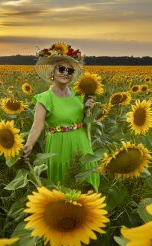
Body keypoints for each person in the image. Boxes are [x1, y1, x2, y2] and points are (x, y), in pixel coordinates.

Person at [22, 42, 100, 191]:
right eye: (61, 69)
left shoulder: (79, 95)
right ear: (52, 72)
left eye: (70, 71)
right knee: (62, 184)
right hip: (58, 144)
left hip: (80, 141)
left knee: (85, 181)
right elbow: (37, 126)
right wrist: (29, 145)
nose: (65, 73)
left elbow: (85, 122)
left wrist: (88, 109)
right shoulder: (45, 98)